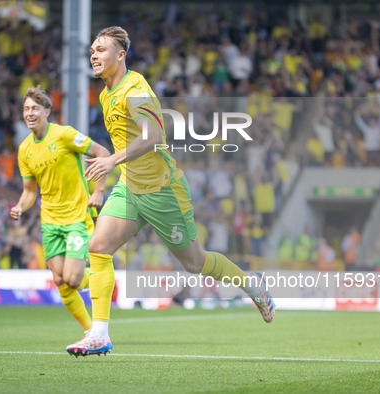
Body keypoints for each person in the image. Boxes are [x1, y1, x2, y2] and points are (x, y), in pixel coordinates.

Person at [66, 26, 275, 357]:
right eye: (92, 49)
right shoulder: (106, 93)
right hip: (131, 187)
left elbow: (152, 135)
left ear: (121, 55)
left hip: (163, 189)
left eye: (101, 49)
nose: (94, 54)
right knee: (98, 246)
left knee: (195, 263)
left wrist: (112, 162)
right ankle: (99, 334)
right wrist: (115, 171)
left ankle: (252, 285)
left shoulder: (134, 89)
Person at [11, 87, 110, 337]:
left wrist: (98, 192)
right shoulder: (24, 150)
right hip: (50, 223)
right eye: (26, 109)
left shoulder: (65, 135)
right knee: (60, 281)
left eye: (34, 108)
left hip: (77, 217)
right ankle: (91, 332)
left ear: (47, 111)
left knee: (74, 280)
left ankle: (102, 277)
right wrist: (20, 206)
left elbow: (103, 154)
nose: (29, 113)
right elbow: (30, 192)